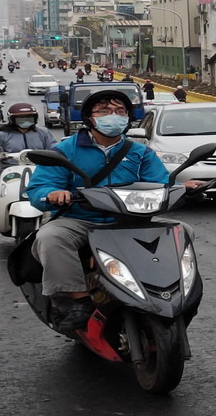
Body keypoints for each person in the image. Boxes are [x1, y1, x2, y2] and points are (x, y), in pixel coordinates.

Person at [26, 90, 204, 336]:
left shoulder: (140, 152)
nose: (114, 116)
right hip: (81, 220)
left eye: (120, 112)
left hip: (132, 220)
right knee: (50, 237)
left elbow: (159, 184)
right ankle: (77, 300)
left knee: (182, 230)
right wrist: (53, 193)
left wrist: (181, 188)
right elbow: (40, 187)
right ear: (89, 118)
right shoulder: (66, 150)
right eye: (104, 111)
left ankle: (178, 292)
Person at [0, 103, 58, 171]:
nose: (25, 120)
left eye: (29, 117)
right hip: (11, 170)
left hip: (40, 169)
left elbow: (53, 146)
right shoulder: (3, 134)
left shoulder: (43, 132)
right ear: (12, 119)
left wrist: (59, 152)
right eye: (20, 118)